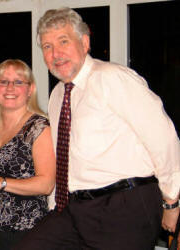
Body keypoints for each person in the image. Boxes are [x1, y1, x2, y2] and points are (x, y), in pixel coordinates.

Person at [14, 7, 180, 250]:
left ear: (84, 42)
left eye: (63, 41)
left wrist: (171, 201)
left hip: (125, 205)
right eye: (47, 47)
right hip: (75, 207)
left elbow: (163, 138)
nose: (55, 53)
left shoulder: (113, 78)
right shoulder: (58, 94)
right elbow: (65, 155)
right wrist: (55, 204)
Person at [0, 59, 56, 250]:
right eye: (3, 81)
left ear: (30, 89)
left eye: (18, 82)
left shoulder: (38, 127)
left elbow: (46, 184)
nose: (10, 88)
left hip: (26, 231)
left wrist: (0, 181)